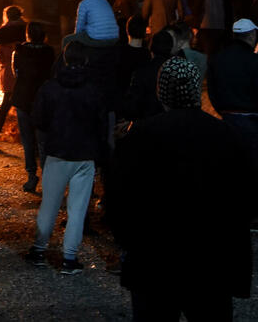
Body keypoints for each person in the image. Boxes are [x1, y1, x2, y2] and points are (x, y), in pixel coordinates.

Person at [107, 56, 256, 320]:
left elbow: (119, 198)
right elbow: (243, 198)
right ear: (196, 89)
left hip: (154, 262)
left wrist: (127, 242)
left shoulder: (140, 136)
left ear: (161, 91)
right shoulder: (225, 135)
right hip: (212, 262)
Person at [24, 39, 109, 273]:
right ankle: (69, 259)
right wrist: (101, 154)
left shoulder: (50, 87)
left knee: (49, 205)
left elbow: (38, 120)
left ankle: (39, 250)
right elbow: (102, 125)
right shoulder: (94, 89)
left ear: (64, 58)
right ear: (86, 61)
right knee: (78, 209)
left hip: (58, 153)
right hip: (85, 155)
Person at [207, 16, 258, 173]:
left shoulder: (218, 58)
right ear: (251, 35)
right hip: (251, 119)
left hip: (226, 118)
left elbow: (212, 90)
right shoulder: (254, 60)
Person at [11, 21, 55, 193]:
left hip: (23, 100)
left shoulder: (19, 51)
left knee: (28, 142)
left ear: (28, 34)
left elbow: (17, 73)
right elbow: (52, 74)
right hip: (42, 101)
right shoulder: (49, 52)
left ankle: (31, 176)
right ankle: (47, 179)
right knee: (43, 142)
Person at [0, 4, 27, 151]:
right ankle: (30, 142)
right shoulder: (27, 31)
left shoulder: (1, 35)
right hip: (25, 74)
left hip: (9, 76)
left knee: (5, 107)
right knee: (26, 108)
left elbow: (0, 58)